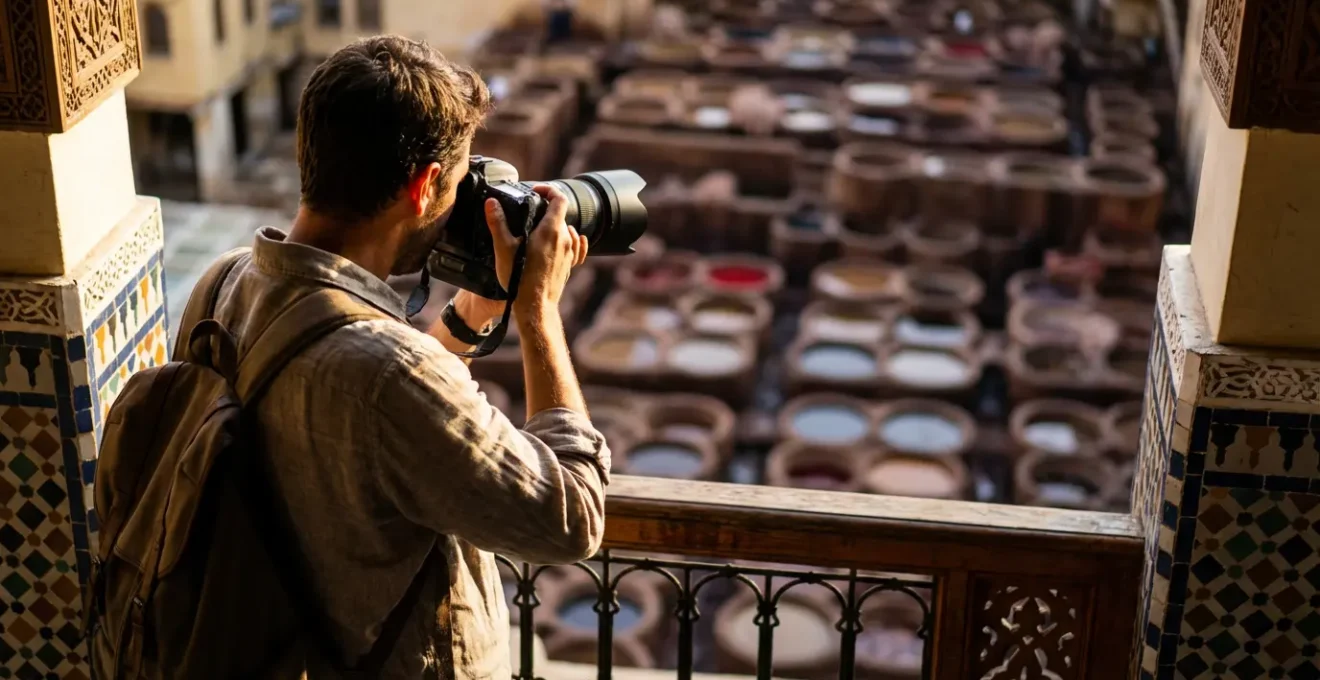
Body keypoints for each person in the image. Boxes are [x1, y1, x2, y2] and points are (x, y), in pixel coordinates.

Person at [204, 35, 610, 678]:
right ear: (423, 187)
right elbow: (572, 517)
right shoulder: (390, 376)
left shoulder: (224, 285)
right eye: (456, 183)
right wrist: (538, 313)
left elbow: (363, 402)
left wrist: (471, 317)